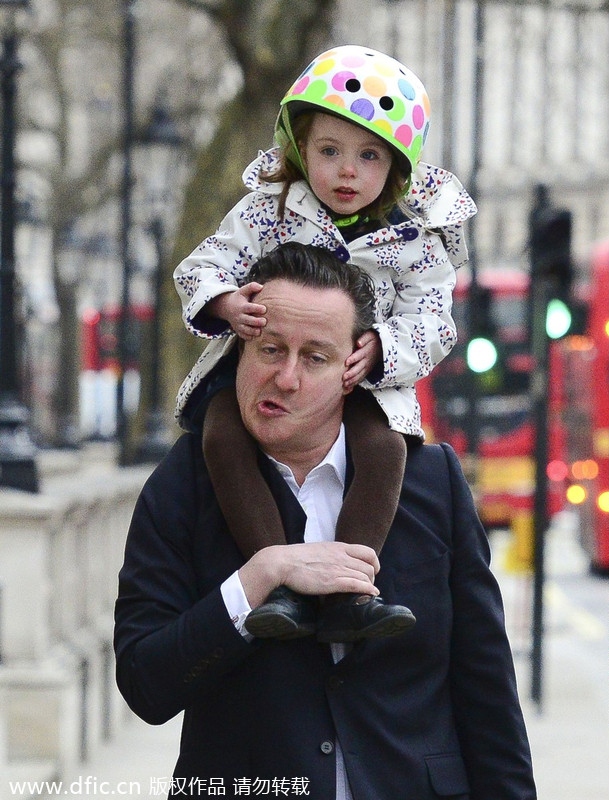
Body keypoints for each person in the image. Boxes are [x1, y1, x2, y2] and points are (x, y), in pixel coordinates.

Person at [114, 243, 537, 800]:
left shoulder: (431, 481)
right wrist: (257, 580)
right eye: (269, 349)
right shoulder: (180, 485)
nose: (284, 378)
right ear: (238, 350)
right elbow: (147, 686)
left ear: (351, 371)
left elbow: (487, 692)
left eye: (314, 357)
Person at [172, 45, 477, 642]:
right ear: (299, 150)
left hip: (361, 377)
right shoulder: (269, 207)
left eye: (368, 157)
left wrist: (385, 347)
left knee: (383, 451)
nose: (346, 172)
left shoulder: (414, 238)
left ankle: (349, 591)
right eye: (329, 151)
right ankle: (281, 587)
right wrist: (226, 302)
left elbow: (437, 321)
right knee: (221, 436)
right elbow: (204, 263)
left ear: (395, 168)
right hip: (267, 370)